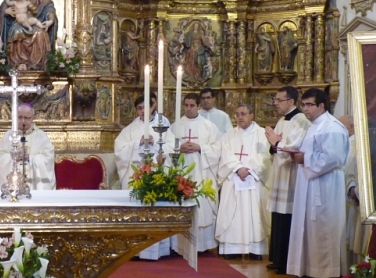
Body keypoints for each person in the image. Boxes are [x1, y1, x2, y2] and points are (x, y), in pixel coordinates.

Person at [287, 88, 349, 278]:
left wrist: (305, 158)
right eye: (303, 105)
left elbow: (334, 158)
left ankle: (326, 272)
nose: (305, 109)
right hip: (311, 182)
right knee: (309, 227)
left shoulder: (332, 127)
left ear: (321, 106)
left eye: (309, 105)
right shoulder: (314, 126)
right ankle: (309, 269)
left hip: (326, 185)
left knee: (324, 227)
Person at [114, 96, 174, 260]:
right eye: (139, 108)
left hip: (155, 174)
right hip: (136, 175)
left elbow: (171, 147)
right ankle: (134, 249)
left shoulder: (162, 127)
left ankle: (157, 249)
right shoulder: (130, 130)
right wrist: (137, 144)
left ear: (152, 108)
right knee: (136, 210)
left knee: (154, 210)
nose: (142, 111)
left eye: (144, 107)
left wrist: (156, 144)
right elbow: (119, 150)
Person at [215, 104, 271, 260]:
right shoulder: (229, 135)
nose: (240, 117)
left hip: (253, 179)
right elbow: (224, 153)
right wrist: (238, 167)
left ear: (251, 115)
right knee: (232, 212)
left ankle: (255, 249)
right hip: (233, 178)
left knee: (254, 212)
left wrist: (249, 168)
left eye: (243, 114)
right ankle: (231, 248)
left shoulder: (261, 134)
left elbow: (265, 154)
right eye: (237, 114)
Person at [265, 87, 310, 274]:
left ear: (291, 101)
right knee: (278, 215)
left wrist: (276, 143)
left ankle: (285, 262)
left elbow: (294, 147)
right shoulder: (282, 120)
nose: (275, 103)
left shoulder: (301, 121)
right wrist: (274, 145)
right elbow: (274, 147)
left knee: (287, 217)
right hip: (280, 175)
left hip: (291, 176)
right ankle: (277, 259)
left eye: (279, 100)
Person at [170, 93, 222, 253]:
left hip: (202, 172)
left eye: (192, 105)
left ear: (198, 106)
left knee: (202, 205)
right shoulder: (175, 126)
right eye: (186, 105)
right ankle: (180, 245)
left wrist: (200, 148)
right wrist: (178, 148)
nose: (188, 108)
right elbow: (166, 148)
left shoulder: (209, 126)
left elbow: (218, 149)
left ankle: (203, 246)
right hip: (182, 172)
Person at [0, 103, 56, 191]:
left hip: (35, 186)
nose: (23, 121)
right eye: (19, 117)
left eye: (26, 118)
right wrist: (13, 156)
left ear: (32, 118)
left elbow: (48, 159)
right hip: (13, 186)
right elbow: (0, 158)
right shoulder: (9, 135)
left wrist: (30, 157)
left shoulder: (41, 136)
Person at [339, 115, 371, 271]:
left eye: (342, 128)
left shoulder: (360, 145)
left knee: (359, 240)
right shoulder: (343, 143)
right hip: (348, 197)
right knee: (350, 238)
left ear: (352, 127)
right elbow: (349, 174)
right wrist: (351, 188)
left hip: (361, 202)